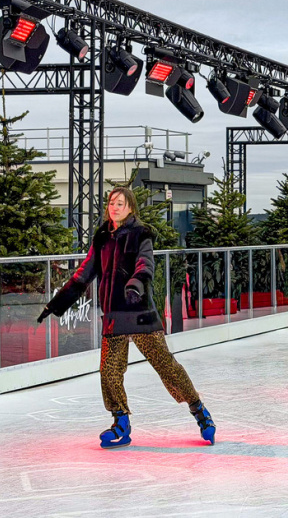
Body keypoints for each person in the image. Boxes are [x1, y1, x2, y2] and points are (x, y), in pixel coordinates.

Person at [37, 187, 216, 448]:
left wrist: (135, 285)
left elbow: (145, 264)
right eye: (112, 202)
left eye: (121, 203)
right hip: (114, 315)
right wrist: (56, 304)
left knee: (166, 367)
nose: (115, 207)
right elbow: (84, 273)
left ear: (130, 207)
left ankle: (199, 411)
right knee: (109, 371)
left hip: (139, 312)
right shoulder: (102, 237)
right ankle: (121, 421)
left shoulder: (140, 233)